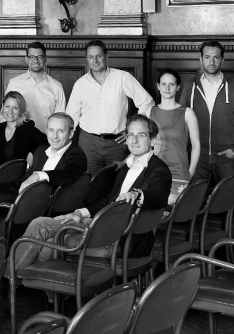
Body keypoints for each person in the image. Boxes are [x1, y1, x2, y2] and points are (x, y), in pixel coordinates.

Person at [13, 114, 171, 271]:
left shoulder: (159, 169)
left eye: (141, 135)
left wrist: (138, 194)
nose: (134, 140)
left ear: (153, 139)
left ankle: (22, 284)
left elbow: (159, 195)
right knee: (39, 223)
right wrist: (80, 213)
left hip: (119, 240)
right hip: (100, 224)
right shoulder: (127, 166)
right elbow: (109, 200)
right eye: (130, 135)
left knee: (47, 248)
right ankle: (12, 278)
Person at [66, 40, 154, 175]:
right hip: (89, 144)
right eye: (91, 57)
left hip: (117, 143)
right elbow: (71, 117)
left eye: (99, 56)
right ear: (86, 59)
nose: (95, 60)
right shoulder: (80, 84)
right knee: (89, 183)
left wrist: (132, 130)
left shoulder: (122, 77)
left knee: (117, 183)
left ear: (107, 56)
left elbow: (146, 102)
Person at [0, 112, 86, 213]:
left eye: (60, 131)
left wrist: (38, 175)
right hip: (28, 200)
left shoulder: (76, 154)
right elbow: (24, 181)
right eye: (51, 130)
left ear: (71, 134)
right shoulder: (41, 151)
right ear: (47, 131)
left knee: (0, 216)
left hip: (46, 209)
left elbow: (70, 174)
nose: (55, 136)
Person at [178, 40, 234, 184]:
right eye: (207, 57)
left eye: (216, 57)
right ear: (201, 59)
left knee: (227, 200)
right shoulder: (190, 85)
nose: (211, 62)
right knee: (194, 201)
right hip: (197, 156)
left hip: (226, 157)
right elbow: (180, 120)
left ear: (222, 59)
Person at [147, 68, 200, 181]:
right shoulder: (149, 112)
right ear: (158, 86)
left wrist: (190, 172)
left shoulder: (187, 113)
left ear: (178, 87)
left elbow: (196, 145)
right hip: (155, 169)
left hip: (179, 170)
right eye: (164, 84)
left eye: (171, 84)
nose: (167, 88)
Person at [3, 42, 66, 133]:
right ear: (26, 59)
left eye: (39, 57)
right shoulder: (14, 83)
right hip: (19, 138)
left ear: (45, 59)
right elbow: (5, 114)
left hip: (46, 139)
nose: (36, 61)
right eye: (32, 57)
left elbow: (61, 119)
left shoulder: (56, 86)